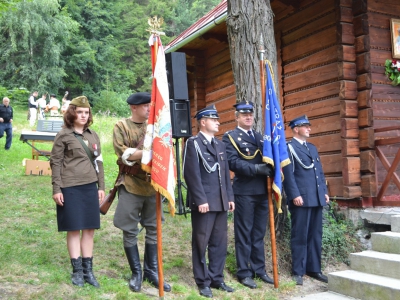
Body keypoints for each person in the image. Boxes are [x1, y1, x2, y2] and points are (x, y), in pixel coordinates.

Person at [113, 92, 171, 293]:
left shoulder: (155, 127)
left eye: (150, 105)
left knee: (153, 229)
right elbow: (124, 154)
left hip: (153, 185)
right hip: (130, 183)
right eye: (146, 106)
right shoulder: (121, 126)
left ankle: (151, 272)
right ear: (134, 107)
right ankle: (136, 272)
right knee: (129, 229)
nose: (149, 109)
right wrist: (149, 153)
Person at [50, 96, 105, 288]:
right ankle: (77, 271)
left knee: (89, 229)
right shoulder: (63, 135)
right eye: (80, 112)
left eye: (86, 112)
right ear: (72, 113)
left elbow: (99, 162)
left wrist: (101, 187)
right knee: (74, 228)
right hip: (70, 187)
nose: (83, 115)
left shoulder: (93, 135)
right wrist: (57, 188)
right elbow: (55, 162)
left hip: (90, 186)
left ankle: (89, 271)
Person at [183, 105, 235, 298]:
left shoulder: (220, 145)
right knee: (201, 242)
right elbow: (191, 174)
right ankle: (202, 281)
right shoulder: (193, 143)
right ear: (203, 122)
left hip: (221, 201)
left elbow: (225, 174)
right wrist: (200, 199)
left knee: (219, 242)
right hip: (204, 202)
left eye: (217, 119)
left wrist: (230, 198)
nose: (218, 122)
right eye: (214, 119)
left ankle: (216, 278)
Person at [222, 100, 274, 289]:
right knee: (244, 233)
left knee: (258, 234)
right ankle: (244, 272)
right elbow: (233, 163)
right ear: (237, 117)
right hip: (244, 191)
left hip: (262, 191)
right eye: (244, 115)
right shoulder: (231, 137)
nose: (248, 117)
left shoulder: (260, 137)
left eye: (250, 114)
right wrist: (258, 169)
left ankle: (259, 270)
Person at [282, 115, 329, 286]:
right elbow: (288, 175)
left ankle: (314, 268)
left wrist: (324, 191)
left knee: (315, 235)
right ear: (295, 129)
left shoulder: (312, 148)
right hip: (301, 198)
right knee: (299, 235)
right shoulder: (289, 148)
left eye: (309, 126)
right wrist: (294, 195)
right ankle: (298, 271)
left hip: (316, 197)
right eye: (305, 126)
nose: (309, 128)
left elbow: (319, 172)